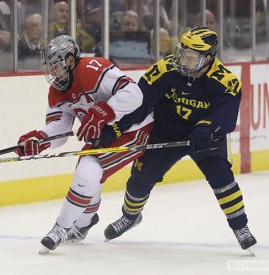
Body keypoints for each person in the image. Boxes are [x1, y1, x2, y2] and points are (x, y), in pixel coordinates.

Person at [104, 27, 257, 252]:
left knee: (222, 178)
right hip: (166, 132)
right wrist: (117, 127)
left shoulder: (225, 81)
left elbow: (226, 118)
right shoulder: (164, 70)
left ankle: (240, 227)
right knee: (139, 178)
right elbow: (140, 103)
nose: (183, 60)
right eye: (181, 53)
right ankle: (130, 216)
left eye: (191, 57)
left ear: (208, 58)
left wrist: (208, 127)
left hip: (205, 136)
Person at [16, 35, 154, 253]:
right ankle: (82, 224)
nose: (52, 72)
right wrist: (40, 139)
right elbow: (59, 132)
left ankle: (61, 228)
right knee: (89, 175)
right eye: (49, 67)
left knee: (87, 171)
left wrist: (104, 111)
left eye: (55, 66)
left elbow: (134, 94)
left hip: (133, 130)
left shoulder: (93, 68)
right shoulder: (56, 91)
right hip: (104, 137)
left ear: (70, 60)